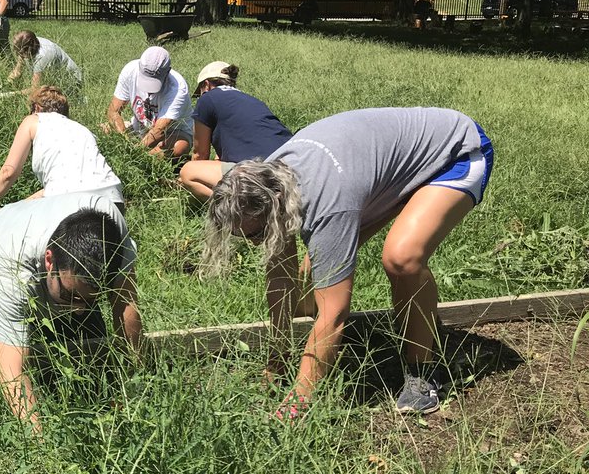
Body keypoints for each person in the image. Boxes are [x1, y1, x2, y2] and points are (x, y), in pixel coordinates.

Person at [199, 107, 495, 418]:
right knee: (311, 277)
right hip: (386, 165)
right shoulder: (268, 179)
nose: (254, 242)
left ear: (273, 209)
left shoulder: (326, 206)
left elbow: (335, 316)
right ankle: (305, 359)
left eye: (257, 233)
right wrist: (278, 357)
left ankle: (422, 369)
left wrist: (297, 403)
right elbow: (280, 278)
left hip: (455, 152)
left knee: (402, 258)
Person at [0, 193, 143, 431]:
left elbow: (125, 302)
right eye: (71, 296)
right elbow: (12, 372)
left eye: (93, 297)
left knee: (94, 361)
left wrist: (133, 382)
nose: (78, 309)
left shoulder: (109, 228)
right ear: (50, 261)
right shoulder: (8, 274)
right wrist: (42, 448)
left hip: (41, 248)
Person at [0, 86, 123, 211]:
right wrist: (18, 206)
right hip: (113, 197)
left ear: (36, 108)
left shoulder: (33, 120)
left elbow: (8, 172)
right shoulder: (82, 129)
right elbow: (68, 185)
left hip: (68, 203)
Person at [177, 61, 293, 201]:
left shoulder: (207, 98)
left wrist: (180, 183)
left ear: (206, 85)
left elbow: (200, 154)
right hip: (289, 167)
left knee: (189, 171)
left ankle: (237, 210)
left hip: (261, 174)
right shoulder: (251, 100)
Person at [104, 46, 191, 158]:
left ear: (168, 72)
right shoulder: (130, 70)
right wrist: (124, 140)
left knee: (178, 147)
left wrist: (135, 152)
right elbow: (113, 111)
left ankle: (144, 159)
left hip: (171, 133)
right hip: (139, 128)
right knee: (104, 128)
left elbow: (160, 130)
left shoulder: (178, 89)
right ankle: (142, 156)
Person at [8, 31, 82, 91]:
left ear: (27, 50)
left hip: (71, 82)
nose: (19, 54)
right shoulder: (30, 41)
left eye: (20, 52)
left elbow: (34, 89)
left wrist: (11, 94)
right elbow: (17, 71)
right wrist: (6, 83)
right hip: (54, 77)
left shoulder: (42, 57)